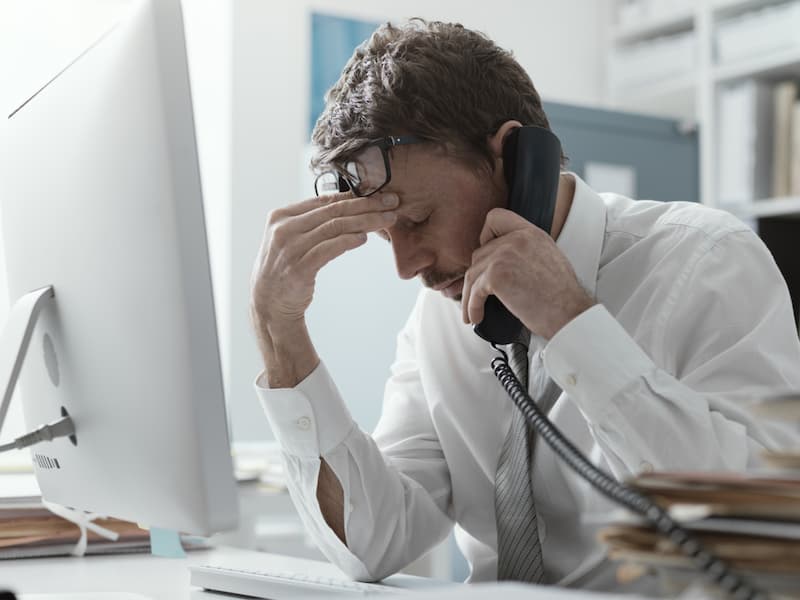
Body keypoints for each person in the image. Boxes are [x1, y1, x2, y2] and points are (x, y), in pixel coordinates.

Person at [249, 19, 800, 590]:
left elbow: (764, 529)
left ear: (513, 159)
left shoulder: (706, 260)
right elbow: (377, 542)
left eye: (418, 220)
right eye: (390, 235)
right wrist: (279, 331)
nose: (407, 266)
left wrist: (571, 322)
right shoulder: (440, 316)